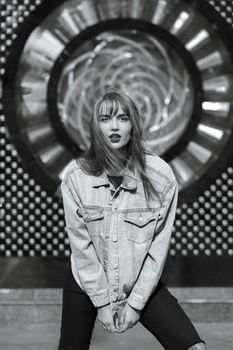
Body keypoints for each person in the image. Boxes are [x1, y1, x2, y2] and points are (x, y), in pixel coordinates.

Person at [58, 88, 207, 350]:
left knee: (195, 348)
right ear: (96, 126)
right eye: (105, 119)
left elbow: (158, 250)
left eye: (122, 118)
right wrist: (103, 303)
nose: (114, 127)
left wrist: (136, 303)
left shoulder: (160, 176)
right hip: (87, 283)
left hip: (139, 280)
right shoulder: (75, 177)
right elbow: (81, 248)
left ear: (133, 125)